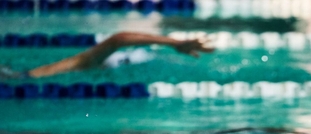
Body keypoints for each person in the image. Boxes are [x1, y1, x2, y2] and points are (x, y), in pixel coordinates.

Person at [0, 31, 214, 79]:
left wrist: (174, 43)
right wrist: (174, 43)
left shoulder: (88, 63)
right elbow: (119, 39)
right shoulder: (85, 63)